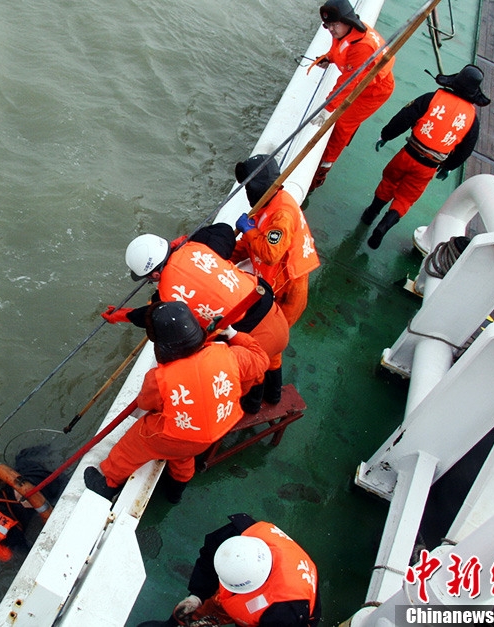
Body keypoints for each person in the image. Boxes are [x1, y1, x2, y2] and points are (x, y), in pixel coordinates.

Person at [84, 302, 269, 504]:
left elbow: (145, 404)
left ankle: (108, 483)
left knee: (133, 443)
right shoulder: (230, 356)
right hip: (213, 433)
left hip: (176, 436)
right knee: (183, 456)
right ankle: (176, 492)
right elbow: (261, 359)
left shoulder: (159, 378)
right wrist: (234, 334)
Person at [102, 223, 289, 413]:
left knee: (253, 375)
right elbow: (224, 230)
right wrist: (183, 241)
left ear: (156, 274)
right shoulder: (197, 247)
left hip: (253, 339)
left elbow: (149, 317)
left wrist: (120, 315)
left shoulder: (167, 295)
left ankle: (252, 407)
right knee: (273, 358)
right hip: (276, 315)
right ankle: (274, 396)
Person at [361, 64, 490, 249]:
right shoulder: (471, 120)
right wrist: (448, 167)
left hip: (408, 153)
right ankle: (385, 225)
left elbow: (404, 117)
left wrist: (386, 135)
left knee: (389, 181)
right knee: (405, 198)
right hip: (428, 166)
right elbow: (465, 149)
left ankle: (370, 213)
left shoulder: (432, 98)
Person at [138, 513, 320, 627]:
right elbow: (208, 558)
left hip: (279, 613)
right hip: (249, 598)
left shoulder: (286, 613)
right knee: (197, 610)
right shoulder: (236, 536)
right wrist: (197, 595)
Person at [308, 0, 395, 192]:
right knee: (340, 119)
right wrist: (328, 58)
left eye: (334, 24)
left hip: (373, 92)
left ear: (347, 21)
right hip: (361, 82)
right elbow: (339, 49)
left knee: (342, 125)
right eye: (327, 25)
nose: (330, 29)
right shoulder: (344, 31)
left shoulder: (363, 48)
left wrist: (327, 108)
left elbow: (348, 83)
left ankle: (320, 172)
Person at [232, 154, 320, 327]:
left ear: (257, 186)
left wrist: (249, 231)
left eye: (248, 186)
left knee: (269, 333)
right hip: (271, 282)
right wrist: (223, 254)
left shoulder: (282, 215)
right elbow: (248, 245)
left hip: (286, 291)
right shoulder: (270, 203)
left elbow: (270, 254)